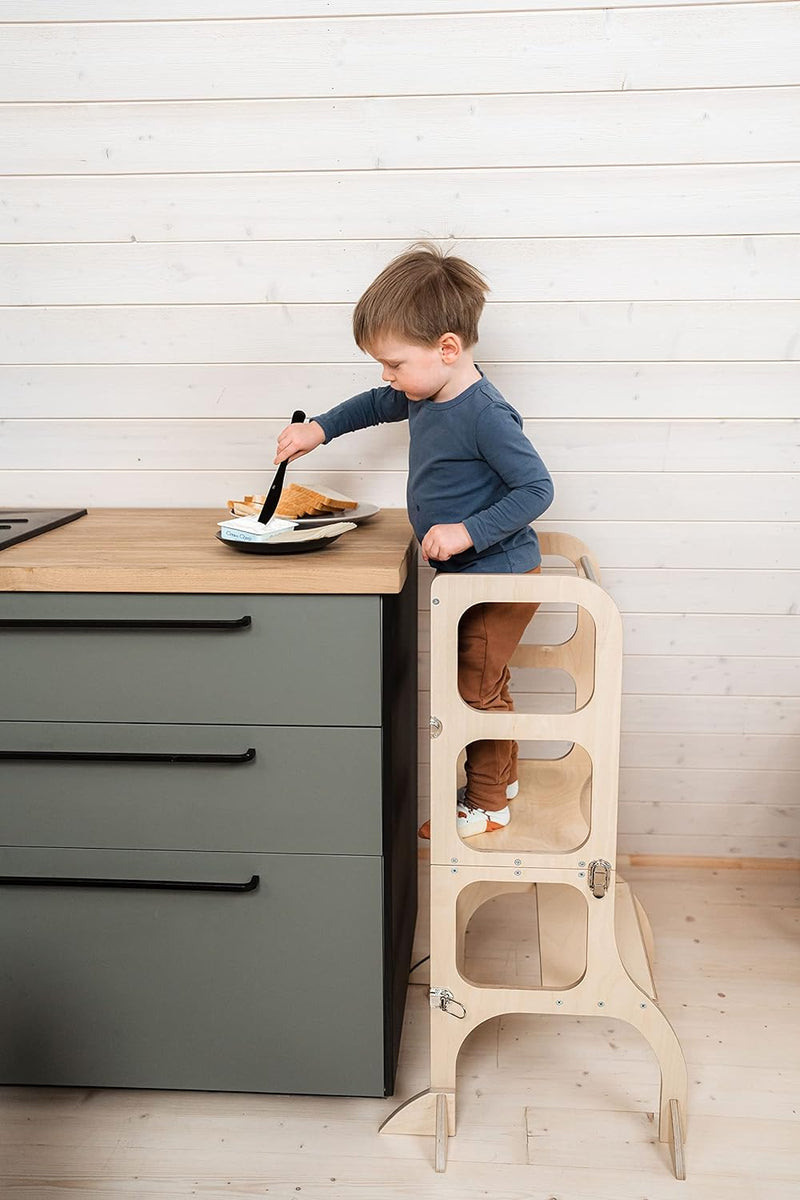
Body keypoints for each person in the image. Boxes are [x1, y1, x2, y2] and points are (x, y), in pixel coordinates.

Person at [273, 243, 554, 837]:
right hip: (471, 577)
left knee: (473, 690)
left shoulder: (485, 415)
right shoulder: (427, 393)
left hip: (495, 576)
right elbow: (374, 405)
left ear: (447, 349)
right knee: (487, 681)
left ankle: (488, 804)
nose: (387, 377)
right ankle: (500, 777)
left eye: (395, 363)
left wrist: (465, 530)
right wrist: (318, 429)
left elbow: (536, 490)